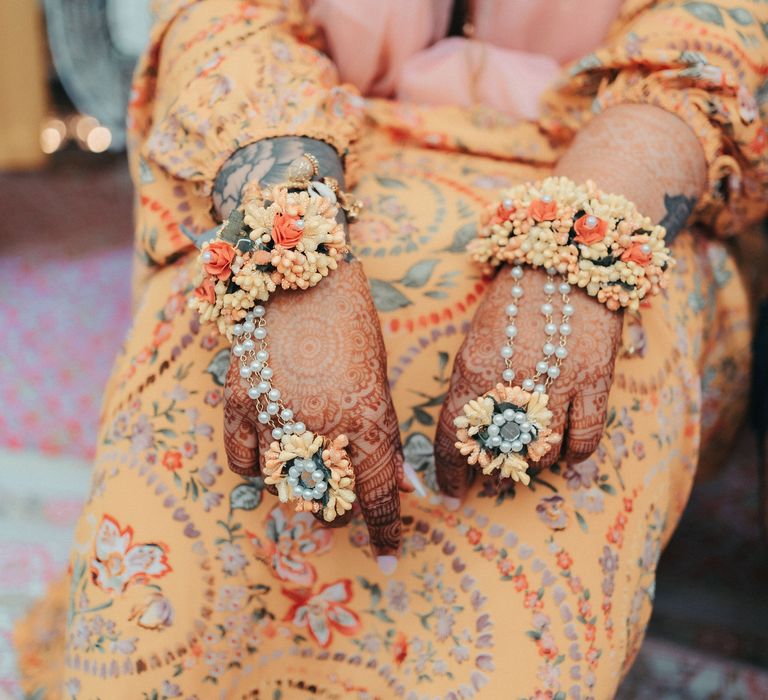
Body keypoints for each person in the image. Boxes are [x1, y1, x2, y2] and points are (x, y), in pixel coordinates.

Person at [14, 0, 768, 697]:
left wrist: (578, 252)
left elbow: (721, 32)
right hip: (305, 138)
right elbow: (225, 16)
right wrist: (284, 235)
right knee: (216, 325)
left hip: (623, 165)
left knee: (574, 387)